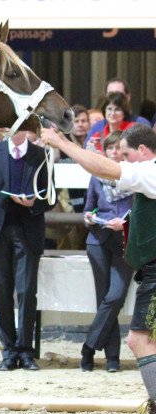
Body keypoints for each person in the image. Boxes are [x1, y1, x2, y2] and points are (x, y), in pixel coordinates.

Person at [41, 123, 156, 414]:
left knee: (138, 339)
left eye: (128, 155)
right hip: (151, 269)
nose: (125, 161)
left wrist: (63, 143)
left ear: (143, 152)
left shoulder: (149, 171)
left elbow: (103, 169)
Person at [0, 130, 54, 371]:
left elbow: (50, 197)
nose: (14, 131)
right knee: (2, 292)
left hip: (27, 231)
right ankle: (9, 350)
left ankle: (26, 350)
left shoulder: (41, 155)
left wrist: (33, 203)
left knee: (27, 292)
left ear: (27, 130)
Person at [81, 131, 134, 373]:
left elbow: (140, 216)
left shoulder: (135, 178)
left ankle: (89, 347)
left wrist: (123, 224)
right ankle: (112, 357)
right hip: (98, 240)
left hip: (124, 242)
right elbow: (88, 207)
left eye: (118, 149)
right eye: (110, 148)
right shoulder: (96, 177)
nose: (114, 152)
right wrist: (89, 216)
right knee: (104, 299)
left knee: (115, 297)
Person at [85, 78, 151, 147]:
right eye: (110, 95)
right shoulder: (97, 127)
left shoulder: (141, 124)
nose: (114, 99)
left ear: (128, 97)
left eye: (119, 95)